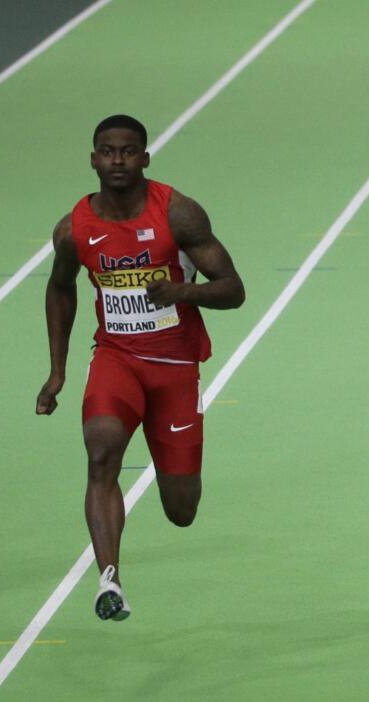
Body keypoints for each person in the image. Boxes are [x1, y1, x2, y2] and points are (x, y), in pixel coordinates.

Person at [35, 114, 245, 621]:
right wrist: (57, 371)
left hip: (175, 369)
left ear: (145, 158)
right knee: (101, 449)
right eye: (107, 151)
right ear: (93, 160)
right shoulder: (74, 229)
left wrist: (182, 291)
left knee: (181, 509)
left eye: (128, 151)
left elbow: (234, 289)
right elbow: (60, 287)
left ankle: (167, 493)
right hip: (116, 359)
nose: (118, 160)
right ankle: (109, 580)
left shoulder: (179, 215)